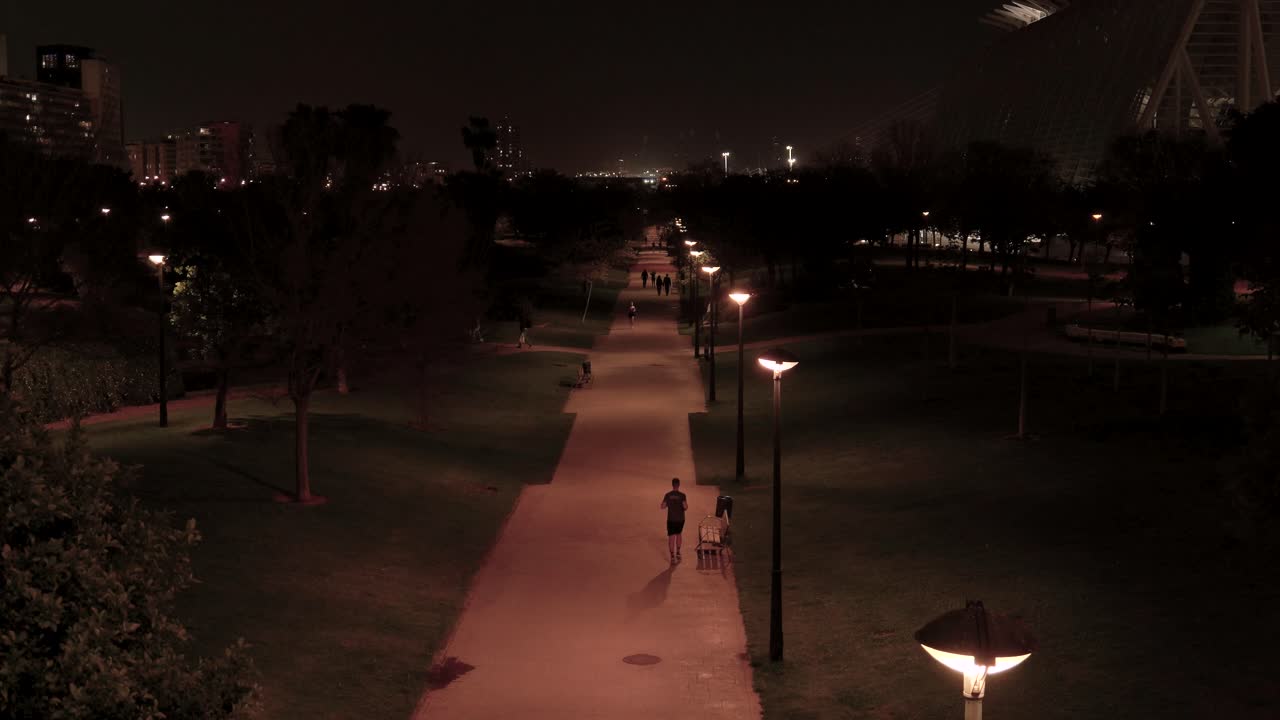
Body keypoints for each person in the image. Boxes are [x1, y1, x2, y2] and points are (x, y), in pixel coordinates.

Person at [661, 477, 688, 563]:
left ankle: (672, 556)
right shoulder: (682, 495)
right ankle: (678, 552)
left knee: (671, 537)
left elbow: (663, 506)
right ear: (678, 485)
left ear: (672, 485)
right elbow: (685, 507)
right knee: (679, 534)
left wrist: (668, 504)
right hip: (680, 519)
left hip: (671, 519)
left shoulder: (668, 495)